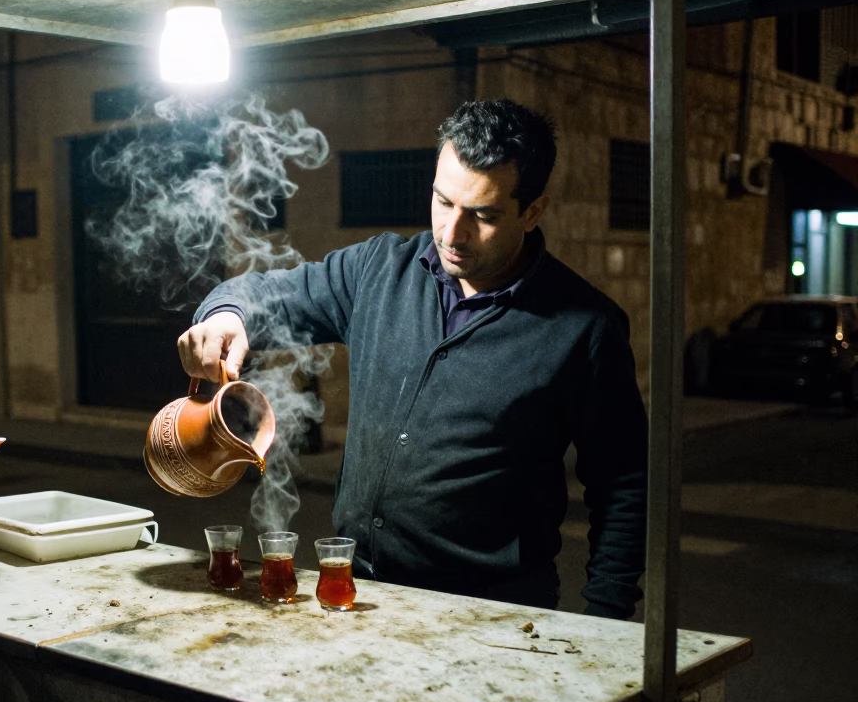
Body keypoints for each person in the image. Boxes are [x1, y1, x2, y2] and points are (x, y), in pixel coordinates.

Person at [178, 99, 648, 619]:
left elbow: (623, 484)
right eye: (443, 202)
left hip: (495, 611)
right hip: (359, 590)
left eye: (483, 215)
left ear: (533, 210)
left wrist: (608, 617)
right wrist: (225, 316)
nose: (452, 233)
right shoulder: (378, 271)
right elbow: (265, 294)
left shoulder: (584, 327)